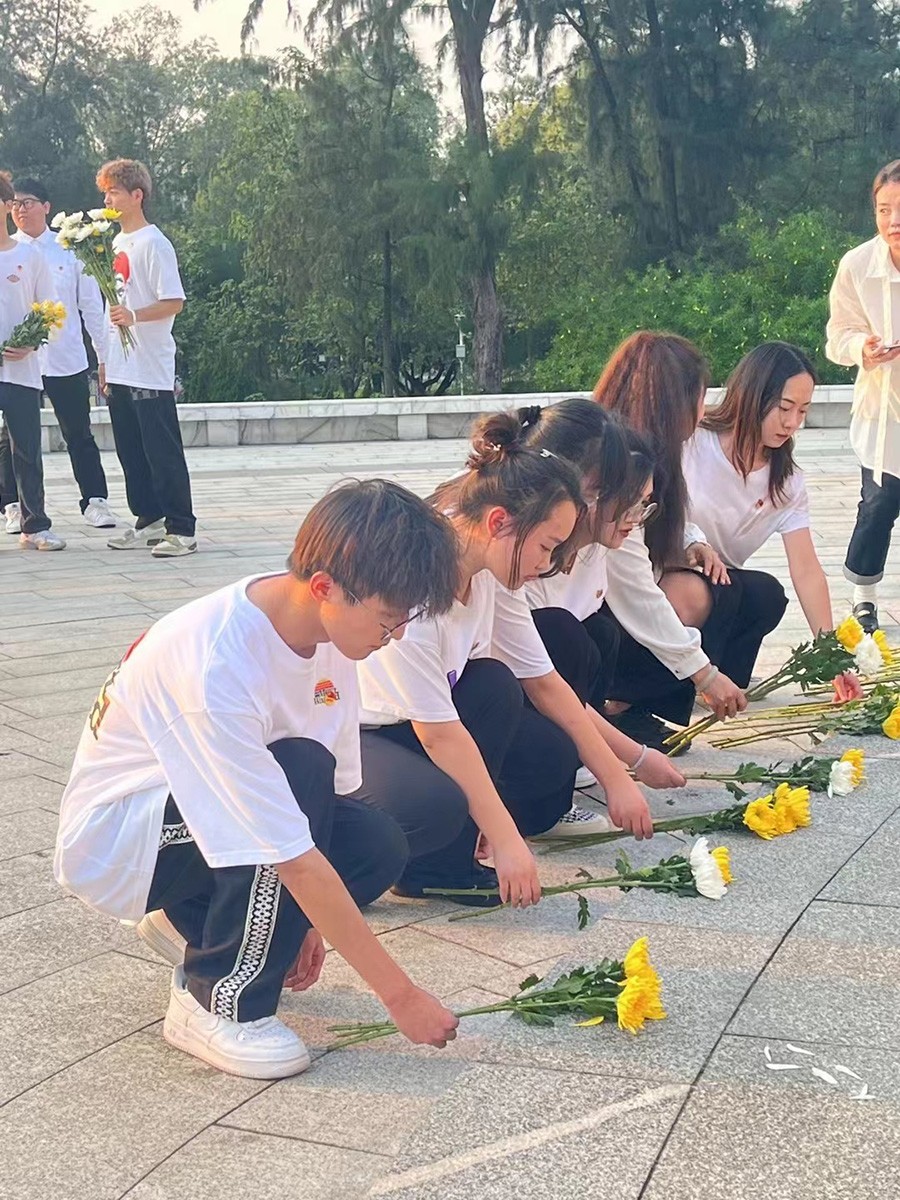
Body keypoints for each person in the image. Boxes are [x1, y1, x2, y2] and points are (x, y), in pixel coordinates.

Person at [54, 480, 463, 1079]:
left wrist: (298, 923)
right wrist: (400, 996)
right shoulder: (219, 661)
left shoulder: (331, 637)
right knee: (293, 781)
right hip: (121, 843)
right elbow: (288, 846)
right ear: (324, 587)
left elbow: (328, 807)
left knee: (376, 839)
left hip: (198, 820)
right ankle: (216, 1003)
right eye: (387, 619)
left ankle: (193, 921)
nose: (396, 635)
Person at [354, 412, 655, 910]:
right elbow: (439, 736)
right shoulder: (415, 590)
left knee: (507, 699)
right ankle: (423, 863)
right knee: (435, 808)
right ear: (499, 522)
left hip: (425, 723)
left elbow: (544, 681)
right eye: (546, 546)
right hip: (359, 735)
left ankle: (449, 857)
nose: (547, 564)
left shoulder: (492, 568)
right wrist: (507, 838)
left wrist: (618, 778)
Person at [592, 332, 757, 749]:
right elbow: (632, 586)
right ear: (672, 403)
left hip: (608, 598)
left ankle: (632, 707)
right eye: (700, 398)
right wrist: (705, 674)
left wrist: (693, 540)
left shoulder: (647, 450)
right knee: (690, 601)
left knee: (744, 591)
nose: (704, 412)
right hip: (588, 616)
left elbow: (669, 516)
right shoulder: (617, 466)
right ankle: (617, 708)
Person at [519, 404, 683, 789]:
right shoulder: (518, 548)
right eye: (627, 500)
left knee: (598, 632)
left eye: (643, 505)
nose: (635, 518)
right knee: (562, 632)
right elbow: (540, 678)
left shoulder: (594, 538)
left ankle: (572, 756)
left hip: (536, 678)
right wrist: (628, 761)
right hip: (483, 696)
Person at [686, 342, 832, 635]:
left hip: (721, 585)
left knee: (766, 595)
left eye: (802, 411)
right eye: (784, 408)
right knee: (707, 594)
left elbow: (806, 570)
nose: (792, 423)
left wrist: (831, 647)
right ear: (753, 395)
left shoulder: (787, 482)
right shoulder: (693, 441)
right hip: (668, 572)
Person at [0, 176, 119, 534]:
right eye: (15, 203)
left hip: (64, 358)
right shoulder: (9, 250)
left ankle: (95, 500)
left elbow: (91, 307)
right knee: (11, 438)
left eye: (28, 202)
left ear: (46, 207)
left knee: (78, 432)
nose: (21, 209)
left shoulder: (69, 248)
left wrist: (104, 357)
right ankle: (13, 505)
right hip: (18, 363)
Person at [96, 158, 197, 557]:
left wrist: (135, 316)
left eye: (114, 192)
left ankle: (182, 528)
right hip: (121, 365)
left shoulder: (155, 243)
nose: (107, 200)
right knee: (131, 450)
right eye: (105, 193)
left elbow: (174, 301)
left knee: (161, 449)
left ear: (137, 195)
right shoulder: (114, 244)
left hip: (149, 365)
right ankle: (149, 518)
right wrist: (105, 360)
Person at [827, 159, 900, 633]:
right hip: (883, 412)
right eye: (884, 209)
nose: (894, 221)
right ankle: (864, 598)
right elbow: (837, 335)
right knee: (878, 505)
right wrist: (863, 348)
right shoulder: (856, 265)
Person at [0, 171, 66, 551]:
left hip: (21, 371)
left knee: (26, 448)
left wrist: (29, 345)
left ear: (7, 206)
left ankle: (35, 525)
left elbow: (51, 311)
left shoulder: (30, 256)